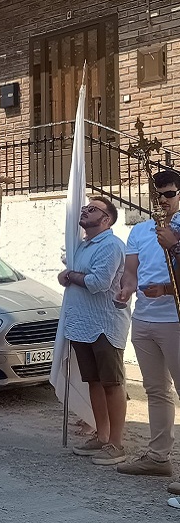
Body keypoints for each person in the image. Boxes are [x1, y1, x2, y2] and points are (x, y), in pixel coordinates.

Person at [54, 196, 131, 465]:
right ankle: (102, 435)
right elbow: (73, 275)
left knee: (111, 383)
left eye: (93, 209)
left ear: (106, 219)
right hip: (83, 325)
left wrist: (70, 276)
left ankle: (117, 444)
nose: (85, 211)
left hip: (104, 326)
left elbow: (98, 282)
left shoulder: (110, 245)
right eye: (85, 207)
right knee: (93, 382)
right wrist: (68, 275)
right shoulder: (83, 245)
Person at [116, 169, 180, 479]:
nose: (163, 200)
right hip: (144, 318)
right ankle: (158, 457)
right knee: (156, 390)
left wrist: (167, 289)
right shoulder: (140, 231)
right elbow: (131, 272)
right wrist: (126, 289)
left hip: (175, 319)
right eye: (158, 195)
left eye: (169, 194)